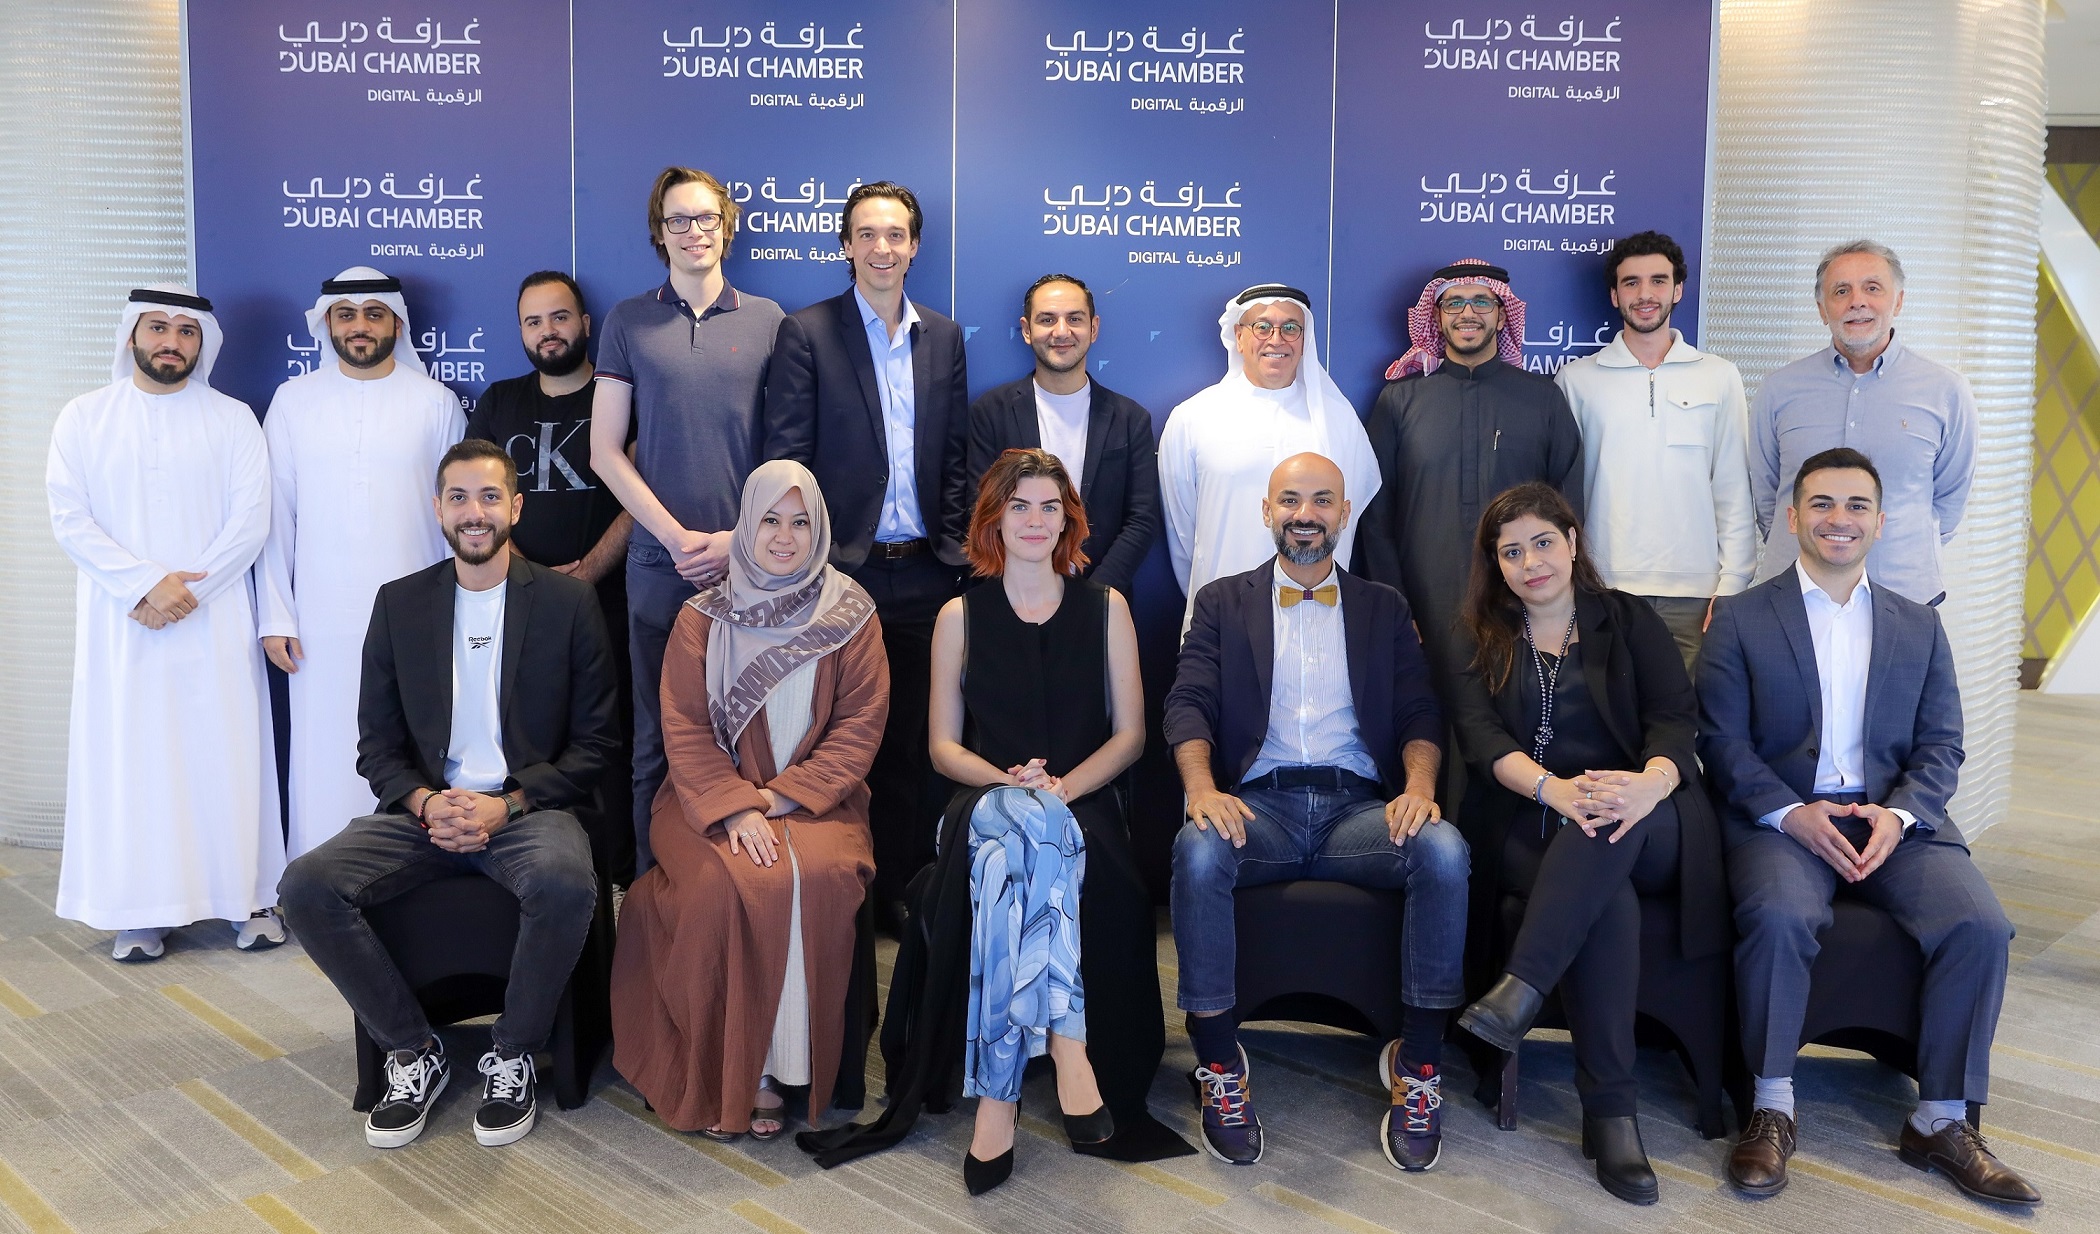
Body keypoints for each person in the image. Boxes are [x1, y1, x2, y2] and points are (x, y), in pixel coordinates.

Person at [797, 448, 1191, 1186]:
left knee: (1013, 857)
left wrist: (1060, 789)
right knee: (1011, 828)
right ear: (994, 520)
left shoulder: (1108, 609)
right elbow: (944, 748)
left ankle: (998, 1098)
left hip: (1081, 803)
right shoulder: (959, 616)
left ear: (1068, 521)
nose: (1035, 521)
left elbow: (1132, 736)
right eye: (1020, 507)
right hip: (981, 799)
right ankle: (1069, 1045)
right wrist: (1009, 781)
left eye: (1050, 507)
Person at [1699, 447, 2036, 1205]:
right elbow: (1720, 742)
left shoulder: (1919, 625)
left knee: (1981, 925)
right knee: (1780, 915)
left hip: (1894, 821)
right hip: (1782, 821)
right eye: (1822, 503)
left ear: (1881, 522)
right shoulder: (1743, 619)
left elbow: (1942, 744)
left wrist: (1901, 813)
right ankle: (1771, 1107)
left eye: (1857, 505)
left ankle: (1942, 1120)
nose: (1839, 519)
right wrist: (1790, 813)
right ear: (1793, 517)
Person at [280, 439, 618, 1151]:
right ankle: (413, 1050)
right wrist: (428, 804)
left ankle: (513, 1052)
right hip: (424, 813)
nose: (474, 512)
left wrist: (508, 804)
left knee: (565, 882)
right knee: (306, 886)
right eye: (459, 498)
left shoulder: (568, 603)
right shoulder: (400, 604)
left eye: (490, 497)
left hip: (527, 810)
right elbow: (377, 746)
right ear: (437, 509)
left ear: (515, 507)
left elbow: (596, 745)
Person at [1164, 452, 1466, 1172]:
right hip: (1258, 809)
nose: (1306, 514)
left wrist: (1418, 788)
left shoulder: (1383, 607)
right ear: (1267, 511)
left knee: (1443, 850)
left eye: (1322, 500)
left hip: (1357, 813)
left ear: (1345, 513)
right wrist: (1202, 789)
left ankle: (1419, 1064)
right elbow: (1188, 702)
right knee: (1198, 849)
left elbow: (1420, 711)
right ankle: (1219, 1063)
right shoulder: (1221, 601)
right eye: (1291, 500)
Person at [1442, 483, 1729, 1205]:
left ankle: (1520, 988)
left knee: (1602, 828)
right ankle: (1611, 1115)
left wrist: (1649, 785)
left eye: (1543, 543)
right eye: (1511, 552)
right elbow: (1482, 740)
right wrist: (1556, 791)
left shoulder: (1627, 619)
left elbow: (1675, 720)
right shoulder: (1479, 635)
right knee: (1608, 899)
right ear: (1496, 564)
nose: (1531, 562)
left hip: (1649, 816)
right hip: (1535, 820)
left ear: (1572, 541)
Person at [610, 461, 888, 1141]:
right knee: (720, 885)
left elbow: (859, 729)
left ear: (819, 530)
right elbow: (683, 728)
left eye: (800, 522)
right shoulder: (703, 617)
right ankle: (741, 1073)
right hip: (705, 800)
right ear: (746, 526)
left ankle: (791, 1068)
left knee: (816, 877)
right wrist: (735, 806)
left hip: (818, 804)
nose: (785, 537)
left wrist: (780, 798)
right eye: (770, 520)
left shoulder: (852, 614)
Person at [47, 286, 286, 960]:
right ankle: (141, 909)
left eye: (186, 331)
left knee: (225, 757)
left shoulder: (233, 418)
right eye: (158, 328)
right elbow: (69, 518)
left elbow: (251, 522)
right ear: (132, 336)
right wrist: (145, 584)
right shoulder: (84, 416)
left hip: (213, 621)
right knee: (135, 762)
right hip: (122, 623)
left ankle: (248, 899)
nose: (171, 342)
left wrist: (183, 594)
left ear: (202, 342)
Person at [761, 181, 970, 928]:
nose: (882, 248)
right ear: (846, 245)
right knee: (836, 739)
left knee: (914, 739)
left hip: (926, 572)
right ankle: (841, 889)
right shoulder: (807, 332)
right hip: (839, 575)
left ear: (915, 246)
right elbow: (787, 458)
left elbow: (954, 461)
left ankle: (903, 892)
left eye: (896, 235)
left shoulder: (943, 337)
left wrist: (955, 551)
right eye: (867, 235)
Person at [591, 166, 784, 874]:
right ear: (659, 232)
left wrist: (738, 541)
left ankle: (742, 892)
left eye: (706, 218)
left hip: (753, 567)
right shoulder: (627, 322)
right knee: (657, 740)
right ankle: (655, 892)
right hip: (657, 566)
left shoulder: (770, 321)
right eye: (679, 220)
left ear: (727, 227)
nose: (694, 231)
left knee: (752, 737)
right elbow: (604, 450)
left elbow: (787, 457)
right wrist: (675, 539)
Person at [258, 267, 465, 857]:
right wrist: (276, 615)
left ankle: (406, 879)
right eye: (346, 314)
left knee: (407, 743)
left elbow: (456, 515)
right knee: (323, 748)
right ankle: (315, 876)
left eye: (375, 314)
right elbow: (275, 518)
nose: (360, 326)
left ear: (397, 324)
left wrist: (459, 613)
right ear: (326, 324)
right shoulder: (292, 402)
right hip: (318, 620)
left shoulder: (435, 402)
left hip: (414, 617)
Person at [470, 270, 635, 877]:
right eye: (533, 321)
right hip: (519, 604)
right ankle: (533, 873)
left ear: (586, 324)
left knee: (611, 741)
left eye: (560, 317)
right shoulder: (500, 401)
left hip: (611, 603)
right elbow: (477, 498)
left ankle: (618, 879)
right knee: (529, 742)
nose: (548, 331)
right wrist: (530, 578)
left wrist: (586, 572)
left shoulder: (621, 398)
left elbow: (641, 498)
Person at [1357, 260, 1585, 675]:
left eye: (1481, 302)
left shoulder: (1543, 399)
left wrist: (1551, 601)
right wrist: (1395, 604)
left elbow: (1567, 509)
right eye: (1454, 303)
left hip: (1519, 604)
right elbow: (1375, 514)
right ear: (1436, 317)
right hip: (1424, 605)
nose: (1467, 313)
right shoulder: (1400, 401)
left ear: (1502, 315)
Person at [1554, 232, 1754, 668]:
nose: (1645, 294)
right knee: (1608, 709)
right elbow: (1563, 497)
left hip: (1697, 595)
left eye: (1658, 281)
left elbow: (1733, 486)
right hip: (1604, 587)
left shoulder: (1719, 376)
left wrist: (1733, 584)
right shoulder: (1577, 380)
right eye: (1631, 282)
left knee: (1689, 710)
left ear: (1678, 289)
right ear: (1614, 295)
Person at [1749, 240, 1976, 605]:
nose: (1857, 301)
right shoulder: (1779, 389)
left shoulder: (1946, 391)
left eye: (1872, 288)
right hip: (1794, 598)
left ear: (1898, 302)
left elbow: (1949, 500)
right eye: (1841, 291)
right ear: (1822, 309)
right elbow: (1767, 497)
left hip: (1903, 595)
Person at [1159, 284, 1380, 632]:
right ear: (1239, 336)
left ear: (1305, 339)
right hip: (1222, 616)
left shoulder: (1339, 420)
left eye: (1291, 328)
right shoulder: (1192, 417)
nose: (1277, 339)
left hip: (1319, 617)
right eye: (1262, 327)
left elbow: (1347, 519)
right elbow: (1183, 532)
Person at [966, 273, 1160, 597]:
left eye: (1074, 319)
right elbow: (981, 510)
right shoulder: (990, 412)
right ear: (1026, 330)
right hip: (1010, 597)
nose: (1061, 331)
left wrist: (1094, 596)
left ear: (1093, 328)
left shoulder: (1130, 419)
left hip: (1102, 599)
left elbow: (1141, 520)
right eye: (1047, 319)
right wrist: (1022, 588)